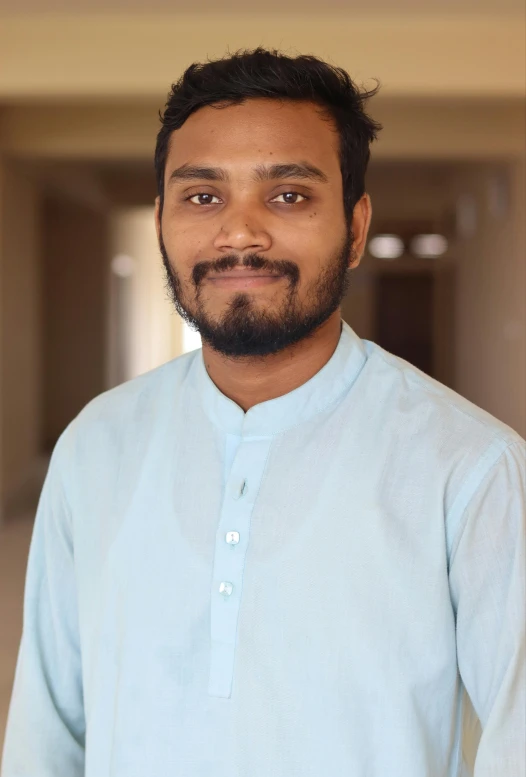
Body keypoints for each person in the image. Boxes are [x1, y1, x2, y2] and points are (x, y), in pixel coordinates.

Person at [1, 48, 524, 777]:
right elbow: (44, 735)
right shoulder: (97, 446)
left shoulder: (470, 467)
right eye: (203, 196)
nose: (239, 233)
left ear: (357, 224)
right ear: (161, 221)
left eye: (288, 196)